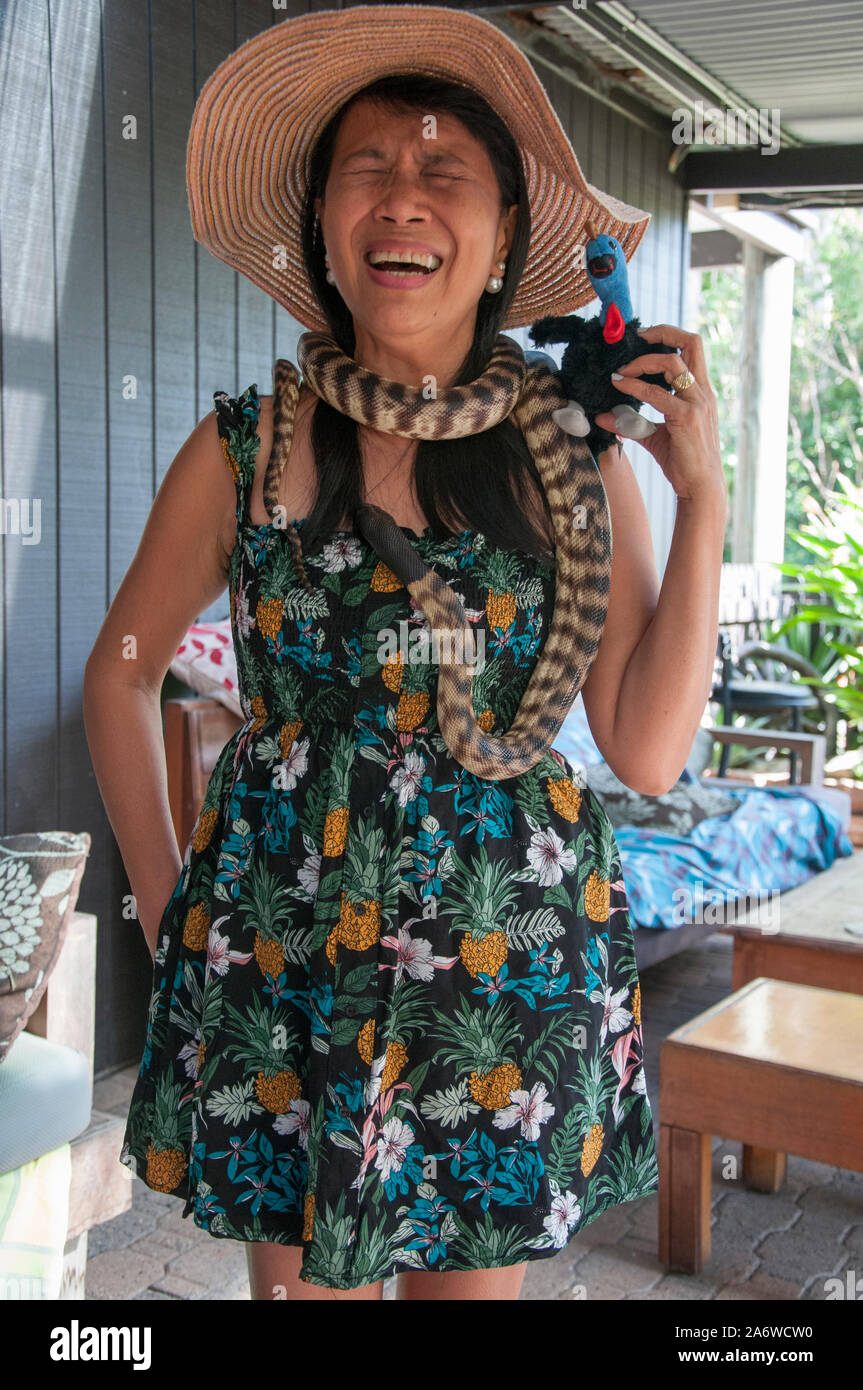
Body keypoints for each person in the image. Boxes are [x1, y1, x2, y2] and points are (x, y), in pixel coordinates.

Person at [83, 5, 726, 1302]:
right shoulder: (248, 446)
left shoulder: (575, 463)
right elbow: (120, 670)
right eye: (365, 170)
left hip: (504, 975)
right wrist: (169, 910)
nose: (401, 199)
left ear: (501, 245)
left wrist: (704, 500)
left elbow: (648, 748)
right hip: (291, 958)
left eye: (444, 173)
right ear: (323, 227)